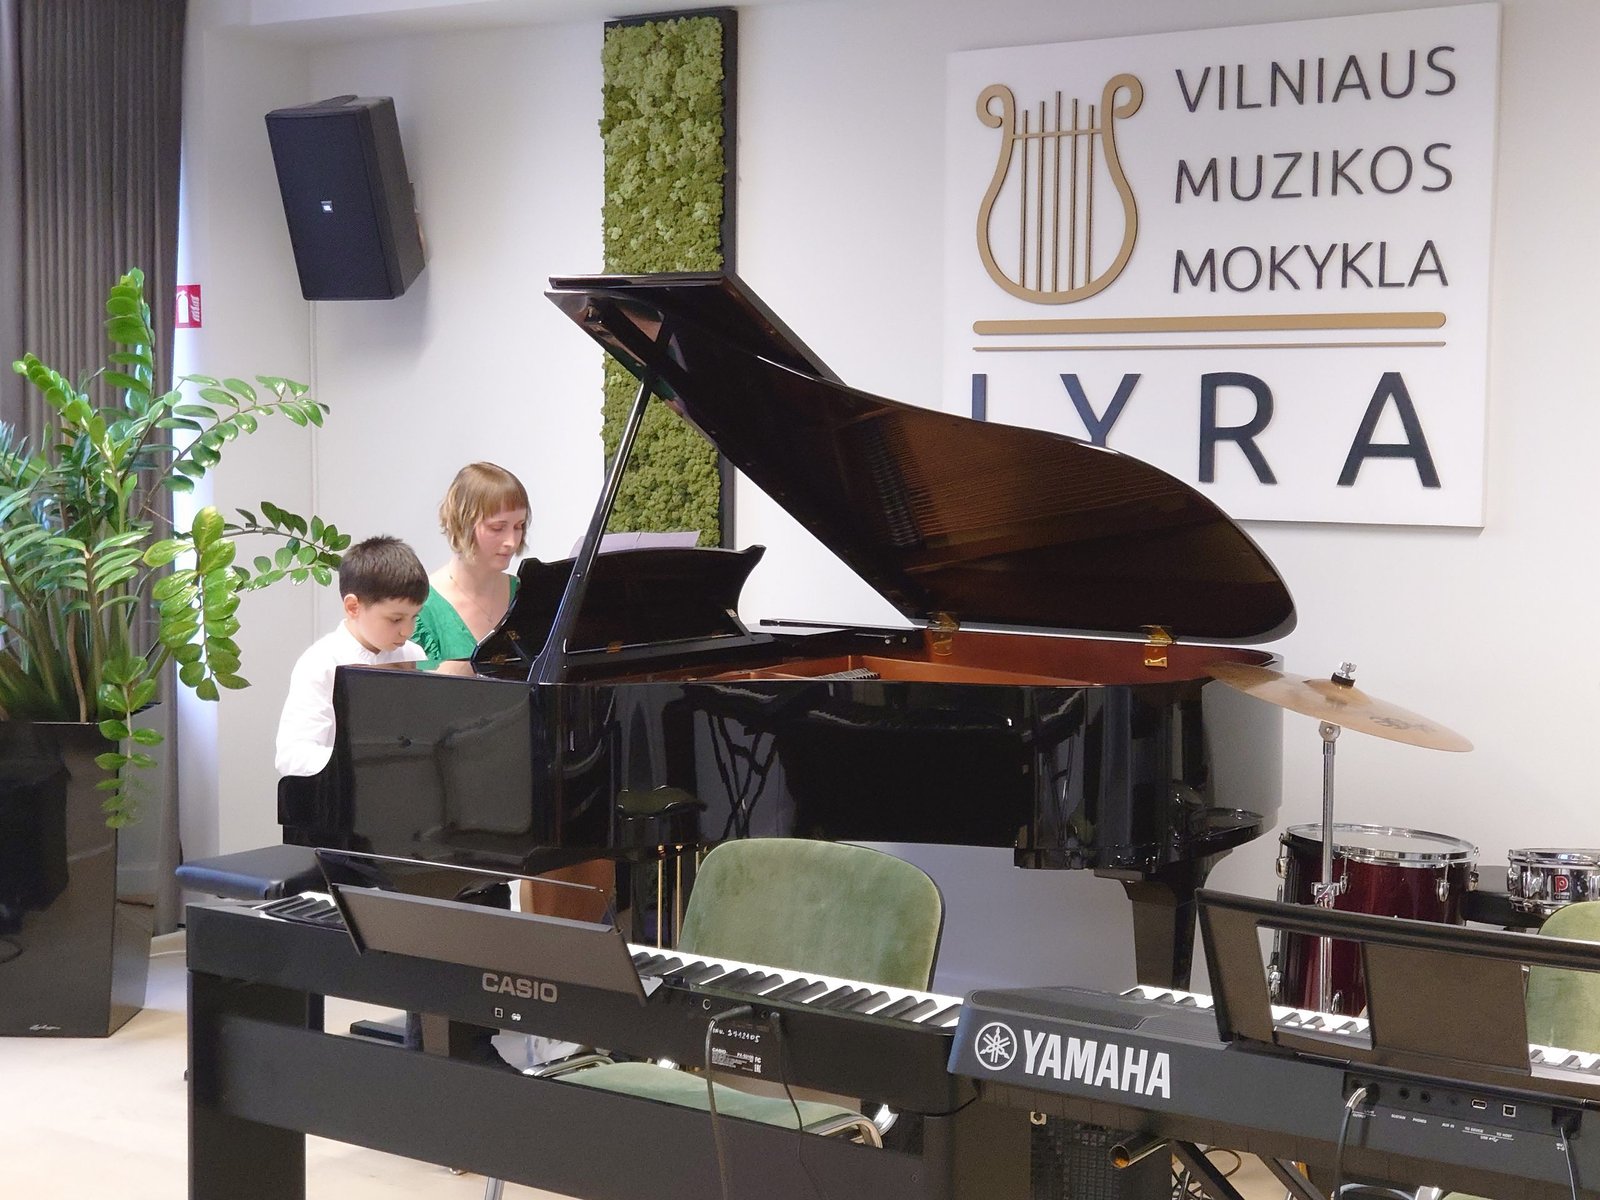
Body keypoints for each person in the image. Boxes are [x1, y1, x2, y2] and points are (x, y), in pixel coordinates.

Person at [274, 536, 429, 777]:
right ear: (353, 607)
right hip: (345, 791)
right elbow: (292, 756)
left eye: (414, 617)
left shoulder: (412, 653)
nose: (407, 631)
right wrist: (362, 759)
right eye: (396, 619)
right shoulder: (321, 662)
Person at [411, 461, 530, 661]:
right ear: (462, 524)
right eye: (497, 528)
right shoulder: (420, 609)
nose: (511, 541)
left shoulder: (527, 596)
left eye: (519, 526)